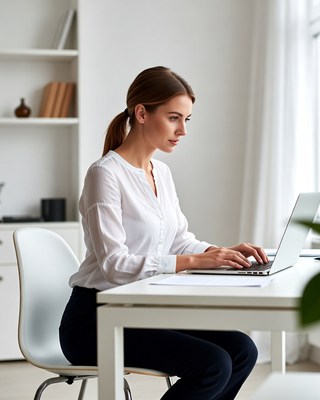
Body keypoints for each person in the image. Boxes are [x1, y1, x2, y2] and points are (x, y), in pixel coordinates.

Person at [59, 66, 268, 400]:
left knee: (243, 350)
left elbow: (179, 240)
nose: (182, 130)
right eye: (174, 118)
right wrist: (194, 261)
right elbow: (114, 264)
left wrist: (222, 253)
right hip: (95, 320)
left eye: (186, 119)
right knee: (213, 364)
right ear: (142, 113)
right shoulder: (105, 174)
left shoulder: (162, 172)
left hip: (143, 309)